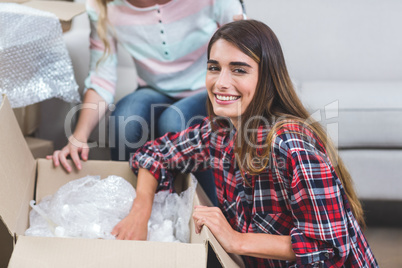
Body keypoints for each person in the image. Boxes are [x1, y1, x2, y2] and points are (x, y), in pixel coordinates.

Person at [112, 20, 379, 267]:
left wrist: (235, 239)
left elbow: (329, 247)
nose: (221, 82)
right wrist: (141, 209)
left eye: (239, 70)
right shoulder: (221, 133)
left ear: (266, 78)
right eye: (214, 68)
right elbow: (155, 153)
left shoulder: (291, 146)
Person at [47, 0, 243, 206]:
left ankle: (212, 211)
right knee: (124, 120)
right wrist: (79, 136)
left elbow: (246, 53)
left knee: (174, 123)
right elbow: (101, 78)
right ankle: (134, 207)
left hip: (208, 90)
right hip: (154, 90)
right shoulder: (104, 7)